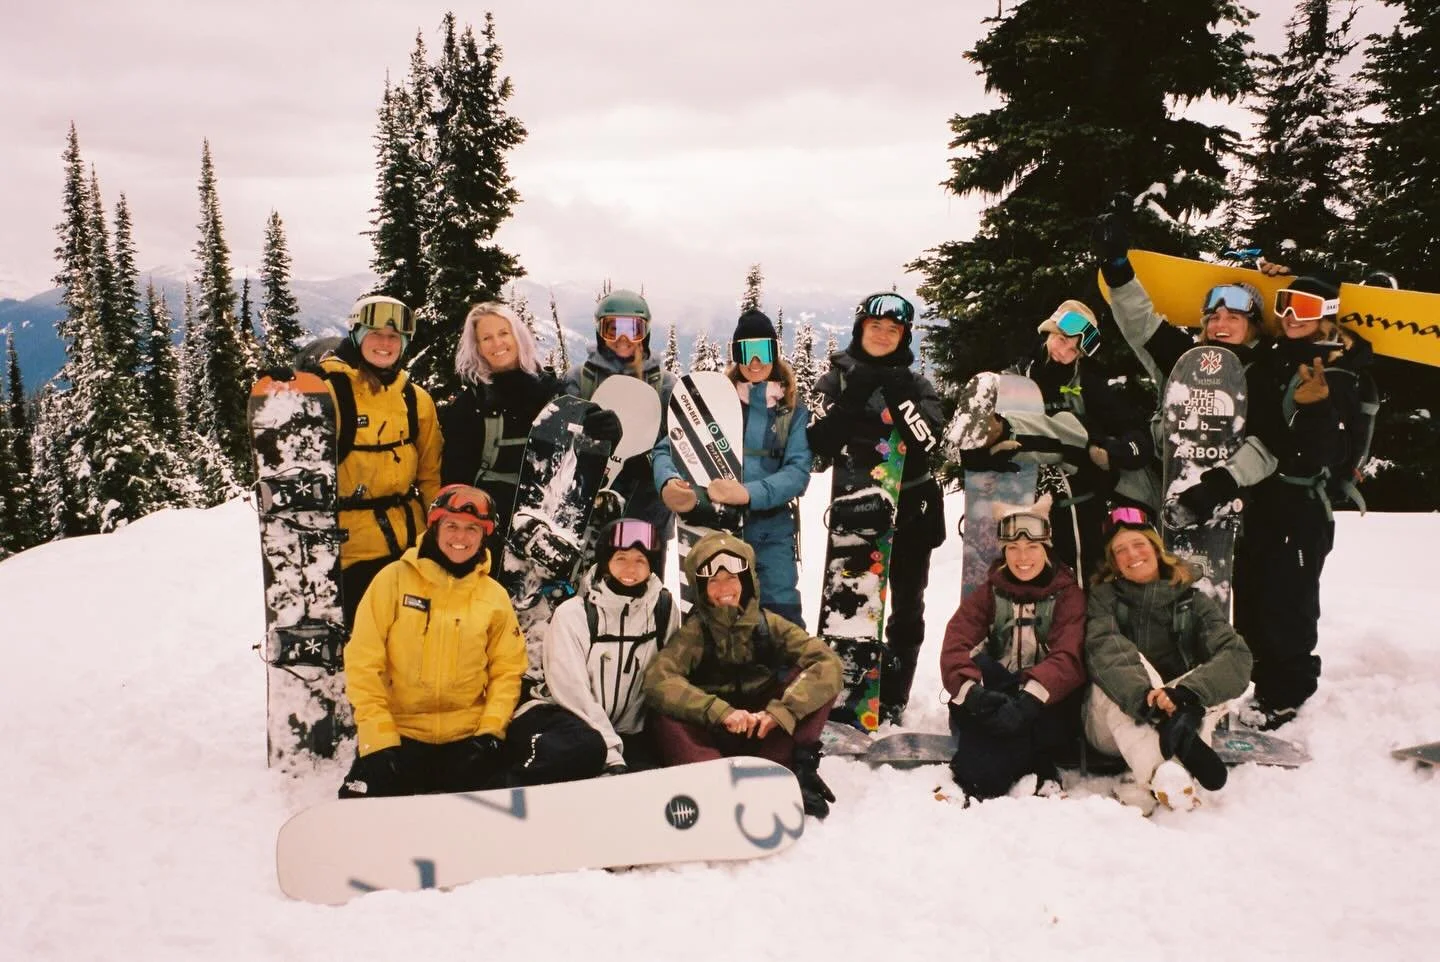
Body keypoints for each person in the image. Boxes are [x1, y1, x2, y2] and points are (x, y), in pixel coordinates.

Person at [1094, 204, 1347, 730]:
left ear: (1254, 325)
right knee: (1207, 599)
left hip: (1253, 504)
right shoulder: (1188, 363)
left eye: (1235, 316)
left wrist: (1292, 280)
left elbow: (1271, 441)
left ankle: (1279, 694)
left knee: (1275, 604)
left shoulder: (1271, 366)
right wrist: (1118, 271)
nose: (1221, 323)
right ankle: (1186, 680)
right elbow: (1141, 325)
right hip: (1188, 503)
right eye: (1213, 316)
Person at [807, 291, 946, 722]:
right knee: (848, 601)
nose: (884, 335)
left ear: (904, 336)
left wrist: (900, 400)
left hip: (912, 509)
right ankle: (846, 687)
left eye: (893, 329)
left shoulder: (916, 386)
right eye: (875, 327)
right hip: (856, 509)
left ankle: (895, 693)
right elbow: (820, 443)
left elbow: (928, 443)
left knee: (907, 607)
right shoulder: (835, 381)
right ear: (860, 330)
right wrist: (855, 396)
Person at [339, 484, 528, 799]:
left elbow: (507, 671)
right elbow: (363, 662)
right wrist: (378, 737)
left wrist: (490, 732)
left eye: (472, 529)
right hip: (400, 734)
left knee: (492, 815)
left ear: (484, 535)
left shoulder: (494, 597)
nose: (461, 537)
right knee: (361, 812)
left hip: (467, 738)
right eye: (451, 525)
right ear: (435, 526)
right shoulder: (392, 580)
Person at [643, 532, 843, 818]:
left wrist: (780, 713)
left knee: (818, 678)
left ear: (746, 581)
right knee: (662, 710)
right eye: (713, 581)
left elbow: (827, 662)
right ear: (701, 589)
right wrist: (720, 712)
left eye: (731, 578)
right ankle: (712, 782)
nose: (724, 588)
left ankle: (794, 770)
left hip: (765, 736)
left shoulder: (769, 625)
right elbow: (659, 680)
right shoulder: (694, 634)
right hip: (713, 740)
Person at [1083, 507, 1253, 814]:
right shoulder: (1104, 599)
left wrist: (1184, 694)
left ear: (1156, 549)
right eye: (1120, 550)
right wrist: (1148, 700)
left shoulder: (1194, 602)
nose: (1131, 554)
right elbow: (1104, 647)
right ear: (1114, 563)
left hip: (1173, 706)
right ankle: (1167, 767)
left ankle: (1154, 782)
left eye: (1138, 544)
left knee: (1209, 684)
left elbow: (1236, 655)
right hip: (1111, 724)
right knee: (1124, 663)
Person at [654, 309, 811, 625]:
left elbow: (797, 472)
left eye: (763, 350)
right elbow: (667, 448)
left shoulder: (790, 411)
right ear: (735, 355)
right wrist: (668, 481)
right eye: (745, 351)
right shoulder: (713, 403)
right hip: (716, 526)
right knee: (717, 614)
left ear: (774, 351)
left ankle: (785, 659)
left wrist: (748, 493)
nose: (755, 361)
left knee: (780, 614)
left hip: (771, 530)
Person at [506, 519, 679, 784]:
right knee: (586, 750)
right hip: (557, 718)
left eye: (640, 560)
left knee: (649, 781)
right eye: (621, 558)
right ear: (606, 560)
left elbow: (665, 676)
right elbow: (572, 691)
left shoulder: (663, 610)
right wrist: (611, 752)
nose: (630, 568)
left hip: (622, 733)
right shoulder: (574, 614)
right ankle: (502, 793)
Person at [940, 496, 1087, 801]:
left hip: (1046, 703)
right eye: (1013, 549)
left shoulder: (1068, 595)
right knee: (991, 703)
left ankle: (975, 777)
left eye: (1032, 547)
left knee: (1014, 733)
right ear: (1004, 552)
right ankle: (1037, 770)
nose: (1023, 557)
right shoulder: (990, 593)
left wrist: (1029, 700)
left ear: (1046, 549)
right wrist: (974, 694)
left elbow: (1068, 655)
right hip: (996, 696)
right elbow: (957, 642)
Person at [440, 302, 622, 544]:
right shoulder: (470, 406)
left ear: (518, 336)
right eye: (486, 338)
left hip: (547, 526)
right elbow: (454, 481)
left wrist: (607, 431)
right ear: (478, 348)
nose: (497, 343)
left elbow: (583, 452)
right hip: (489, 532)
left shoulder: (550, 391)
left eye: (504, 333)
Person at [318, 295, 443, 629]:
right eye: (375, 334)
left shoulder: (416, 400)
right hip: (353, 552)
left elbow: (430, 476)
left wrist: (438, 535)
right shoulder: (332, 394)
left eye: (393, 337)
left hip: (411, 548)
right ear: (357, 336)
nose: (385, 344)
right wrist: (288, 396)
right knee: (366, 641)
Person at [1007, 301, 1154, 580]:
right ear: (1049, 332)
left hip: (1079, 503)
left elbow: (1135, 433)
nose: (1064, 353)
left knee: (1081, 579)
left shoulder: (1087, 382)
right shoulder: (1016, 375)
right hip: (1028, 498)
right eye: (1062, 340)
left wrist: (1113, 451)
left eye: (1074, 350)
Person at [562, 289, 677, 567]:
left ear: (645, 333)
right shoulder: (581, 379)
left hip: (646, 507)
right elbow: (561, 435)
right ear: (600, 332)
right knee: (585, 580)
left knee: (640, 581)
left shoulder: (665, 384)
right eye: (612, 329)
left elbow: (678, 442)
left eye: (633, 330)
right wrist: (583, 429)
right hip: (589, 503)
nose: (623, 339)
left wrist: (651, 461)